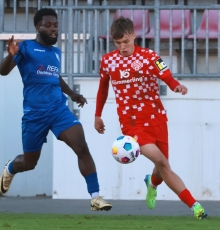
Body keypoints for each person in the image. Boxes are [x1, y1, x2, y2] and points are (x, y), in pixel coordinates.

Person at [0, 8, 112, 212]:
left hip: (58, 110)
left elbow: (55, 77)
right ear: (38, 27)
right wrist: (10, 56)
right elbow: (3, 71)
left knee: (81, 146)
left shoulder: (56, 52)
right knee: (29, 163)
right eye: (49, 25)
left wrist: (71, 94)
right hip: (35, 115)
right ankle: (11, 168)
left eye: (56, 25)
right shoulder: (25, 48)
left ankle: (95, 197)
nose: (54, 29)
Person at [94, 16, 207, 219]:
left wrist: (176, 86)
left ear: (134, 36)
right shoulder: (108, 61)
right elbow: (102, 89)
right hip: (132, 125)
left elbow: (166, 76)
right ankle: (195, 206)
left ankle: (151, 183)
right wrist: (97, 115)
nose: (122, 47)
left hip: (157, 119)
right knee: (163, 163)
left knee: (161, 167)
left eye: (125, 42)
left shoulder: (150, 57)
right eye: (117, 43)